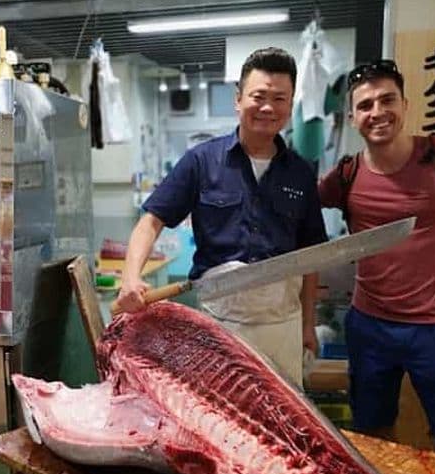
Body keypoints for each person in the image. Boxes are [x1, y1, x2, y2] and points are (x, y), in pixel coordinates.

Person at [319, 60, 435, 459]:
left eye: (387, 100)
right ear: (352, 118)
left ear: (405, 104)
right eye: (365, 105)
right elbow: (292, 208)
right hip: (368, 326)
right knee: (372, 434)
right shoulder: (346, 175)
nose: (377, 112)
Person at [116, 47, 328, 387]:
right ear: (238, 99)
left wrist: (307, 326)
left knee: (280, 422)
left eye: (280, 98)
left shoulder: (301, 173)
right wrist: (130, 278)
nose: (268, 107)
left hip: (282, 326)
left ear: (290, 107)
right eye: (259, 96)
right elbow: (150, 222)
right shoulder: (201, 161)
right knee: (221, 417)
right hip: (220, 325)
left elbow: (310, 258)